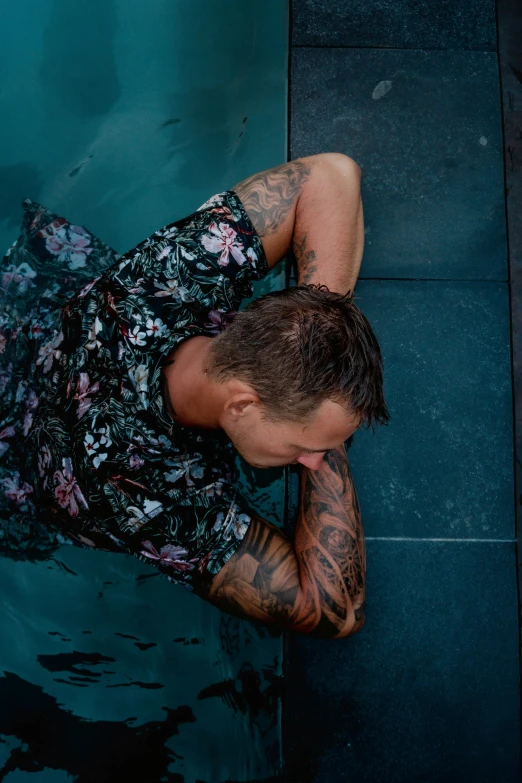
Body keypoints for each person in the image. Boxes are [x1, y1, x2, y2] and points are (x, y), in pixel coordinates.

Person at [0, 152, 389, 639]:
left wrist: (319, 323)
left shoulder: (175, 276)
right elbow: (334, 610)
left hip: (33, 331)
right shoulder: (144, 488)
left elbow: (335, 176)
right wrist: (329, 448)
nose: (311, 460)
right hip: (23, 452)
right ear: (243, 404)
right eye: (303, 445)